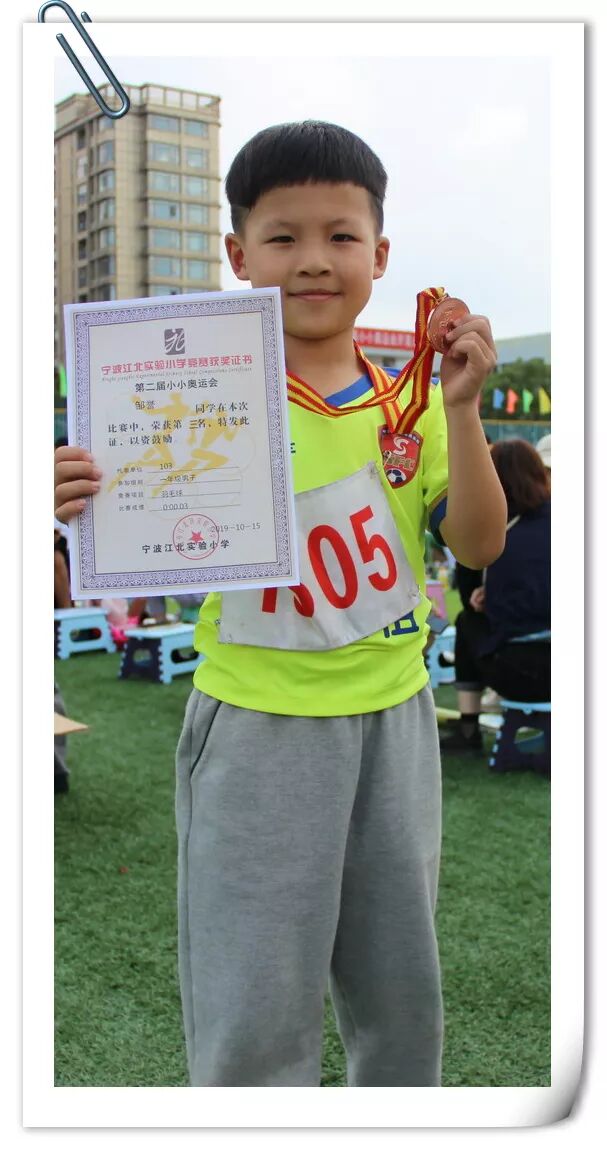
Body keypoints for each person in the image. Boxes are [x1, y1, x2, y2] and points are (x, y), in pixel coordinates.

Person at [54, 120, 507, 1087]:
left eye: (341, 236)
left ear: (379, 254)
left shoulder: (410, 405)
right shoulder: (185, 397)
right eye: (282, 236)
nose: (312, 260)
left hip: (393, 717)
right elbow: (123, 517)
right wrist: (74, 496)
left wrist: (463, 410)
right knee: (253, 999)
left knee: (401, 991)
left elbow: (477, 546)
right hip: (256, 724)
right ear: (237, 254)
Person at [440, 438, 550, 754]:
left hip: (518, 671)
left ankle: (469, 729)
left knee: (467, 621)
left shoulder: (491, 531)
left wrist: (488, 596)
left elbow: (469, 596)